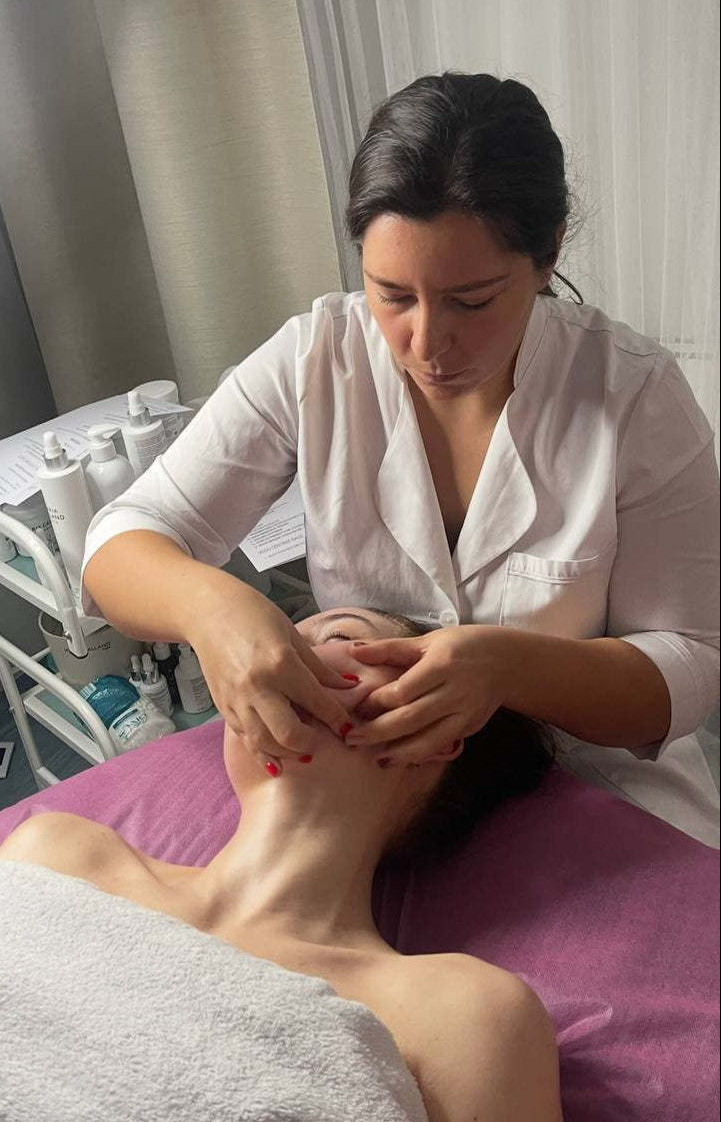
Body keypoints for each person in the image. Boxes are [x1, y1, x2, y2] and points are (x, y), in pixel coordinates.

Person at [81, 71, 720, 841]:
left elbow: (688, 666)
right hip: (382, 795)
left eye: (471, 301)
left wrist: (508, 668)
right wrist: (214, 608)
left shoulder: (631, 394)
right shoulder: (314, 359)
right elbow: (123, 540)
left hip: (596, 787)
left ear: (547, 255)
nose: (424, 342)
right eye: (390, 293)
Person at [0, 607, 563, 1122]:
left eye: (339, 635)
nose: (271, 656)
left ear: (439, 729)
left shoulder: (462, 1018)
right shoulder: (58, 851)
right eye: (264, 639)